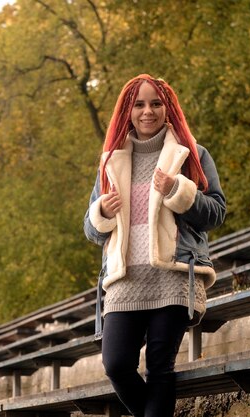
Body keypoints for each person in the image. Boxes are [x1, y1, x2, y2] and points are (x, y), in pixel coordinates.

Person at [83, 74, 226, 417]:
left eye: (156, 103)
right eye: (139, 104)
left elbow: (216, 213)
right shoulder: (110, 161)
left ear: (168, 108)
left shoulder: (191, 155)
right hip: (124, 282)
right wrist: (100, 211)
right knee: (116, 365)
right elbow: (91, 230)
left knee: (160, 368)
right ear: (127, 111)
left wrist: (179, 190)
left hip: (173, 277)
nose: (148, 111)